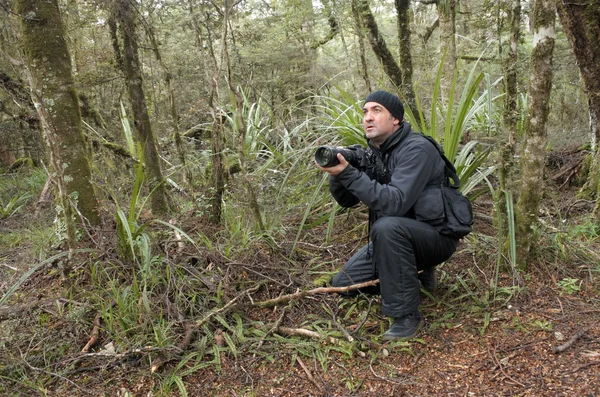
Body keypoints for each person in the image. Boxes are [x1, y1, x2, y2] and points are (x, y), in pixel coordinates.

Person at [316, 90, 460, 340]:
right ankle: (413, 275)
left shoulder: (417, 149)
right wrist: (340, 173)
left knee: (387, 226)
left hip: (435, 237)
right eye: (365, 112)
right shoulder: (375, 154)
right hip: (396, 242)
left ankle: (406, 317)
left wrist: (351, 174)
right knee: (344, 284)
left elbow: (394, 203)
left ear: (396, 119)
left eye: (376, 110)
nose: (368, 117)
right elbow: (346, 201)